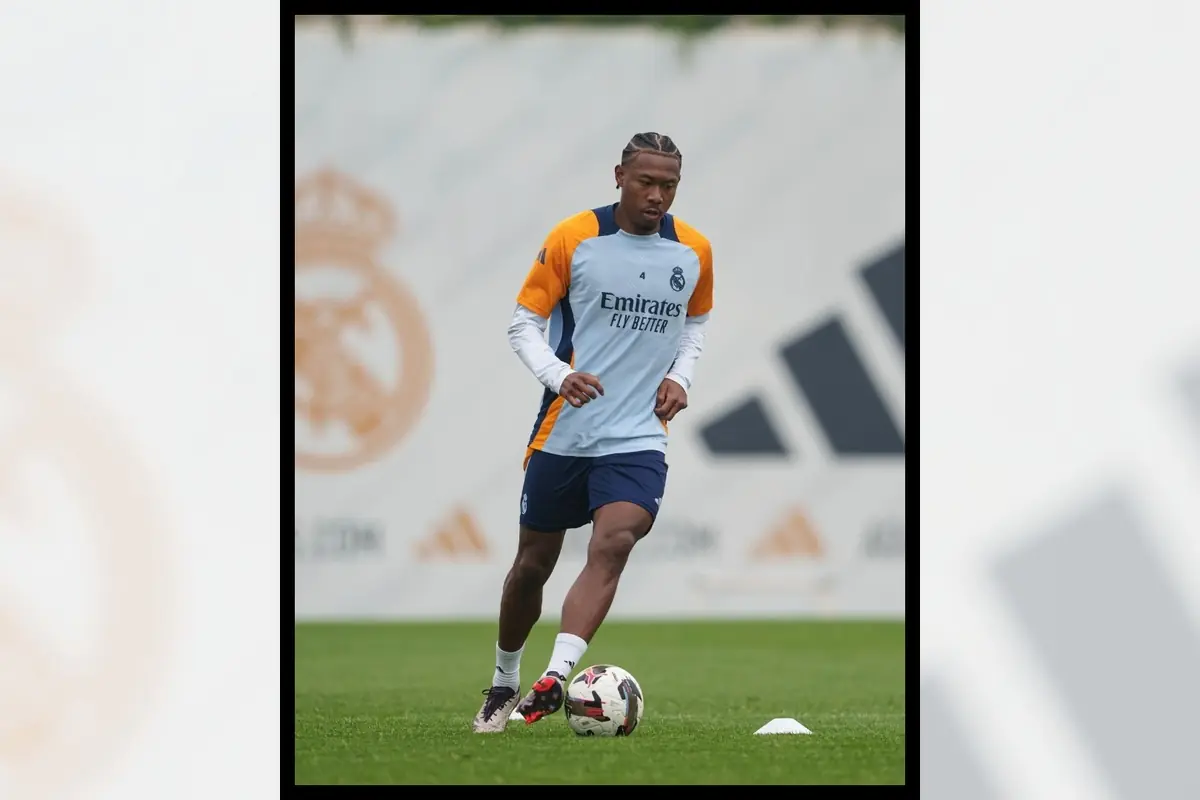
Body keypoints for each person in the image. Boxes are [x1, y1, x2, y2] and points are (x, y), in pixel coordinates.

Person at [472, 132, 714, 732]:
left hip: (638, 434)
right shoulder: (574, 238)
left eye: (669, 185)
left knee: (614, 543)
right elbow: (523, 324)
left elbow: (695, 325)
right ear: (619, 176)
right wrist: (560, 376)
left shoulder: (694, 251)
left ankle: (556, 676)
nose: (657, 195)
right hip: (565, 431)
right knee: (532, 565)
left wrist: (681, 377)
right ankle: (505, 681)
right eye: (646, 182)